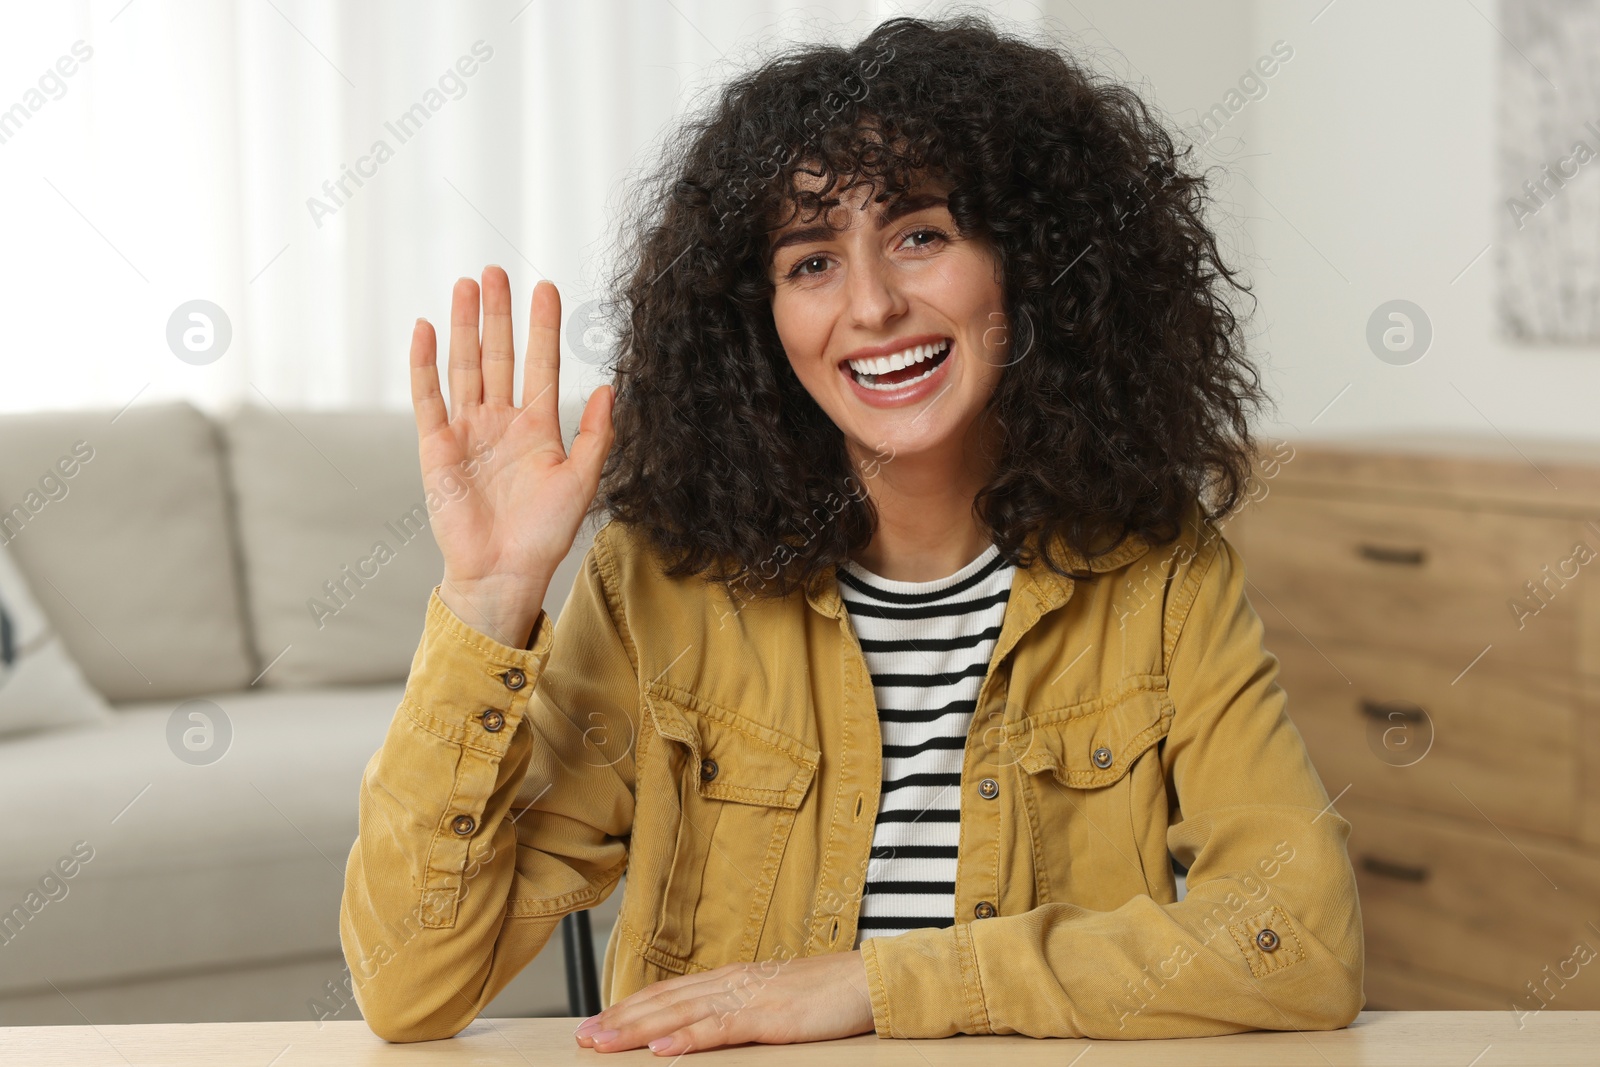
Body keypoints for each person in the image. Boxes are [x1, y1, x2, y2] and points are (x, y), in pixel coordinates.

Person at [339, 13, 1363, 1056]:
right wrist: (489, 597)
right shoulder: (660, 586)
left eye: (921, 234)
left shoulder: (1160, 574)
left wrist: (884, 982)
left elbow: (1301, 941)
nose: (871, 304)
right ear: (757, 318)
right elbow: (409, 989)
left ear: (1029, 260)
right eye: (810, 261)